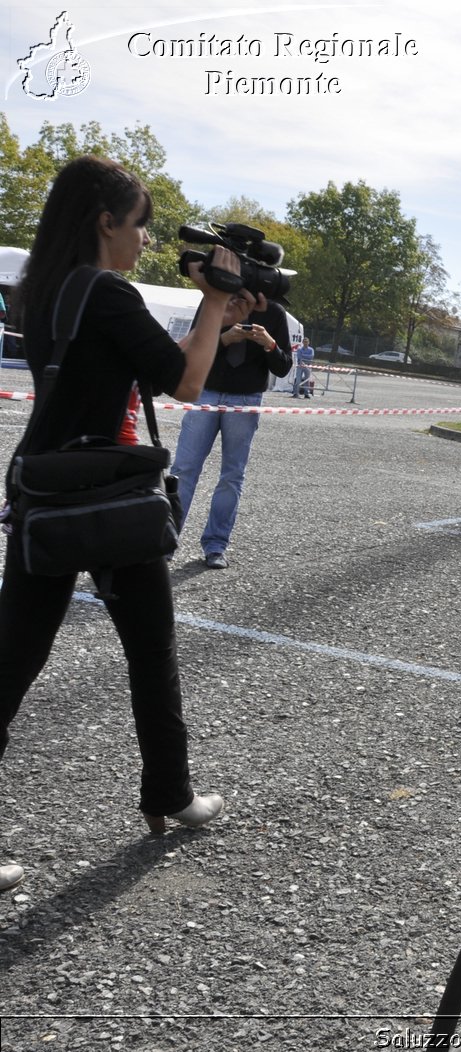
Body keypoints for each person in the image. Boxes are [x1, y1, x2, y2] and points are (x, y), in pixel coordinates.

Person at [0, 155, 236, 892]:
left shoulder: (47, 289)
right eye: (138, 225)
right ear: (106, 222)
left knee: (10, 665)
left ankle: (172, 790)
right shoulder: (108, 290)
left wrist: (219, 323)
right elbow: (187, 380)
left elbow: (122, 366)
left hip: (46, 486)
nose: (144, 242)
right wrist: (214, 299)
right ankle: (169, 792)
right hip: (105, 492)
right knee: (151, 649)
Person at [170, 291, 292, 569]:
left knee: (232, 475)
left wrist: (269, 344)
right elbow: (192, 347)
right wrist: (225, 339)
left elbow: (284, 368)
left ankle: (215, 545)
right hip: (206, 392)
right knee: (184, 470)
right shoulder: (217, 299)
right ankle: (166, 541)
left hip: (246, 398)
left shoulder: (274, 312)